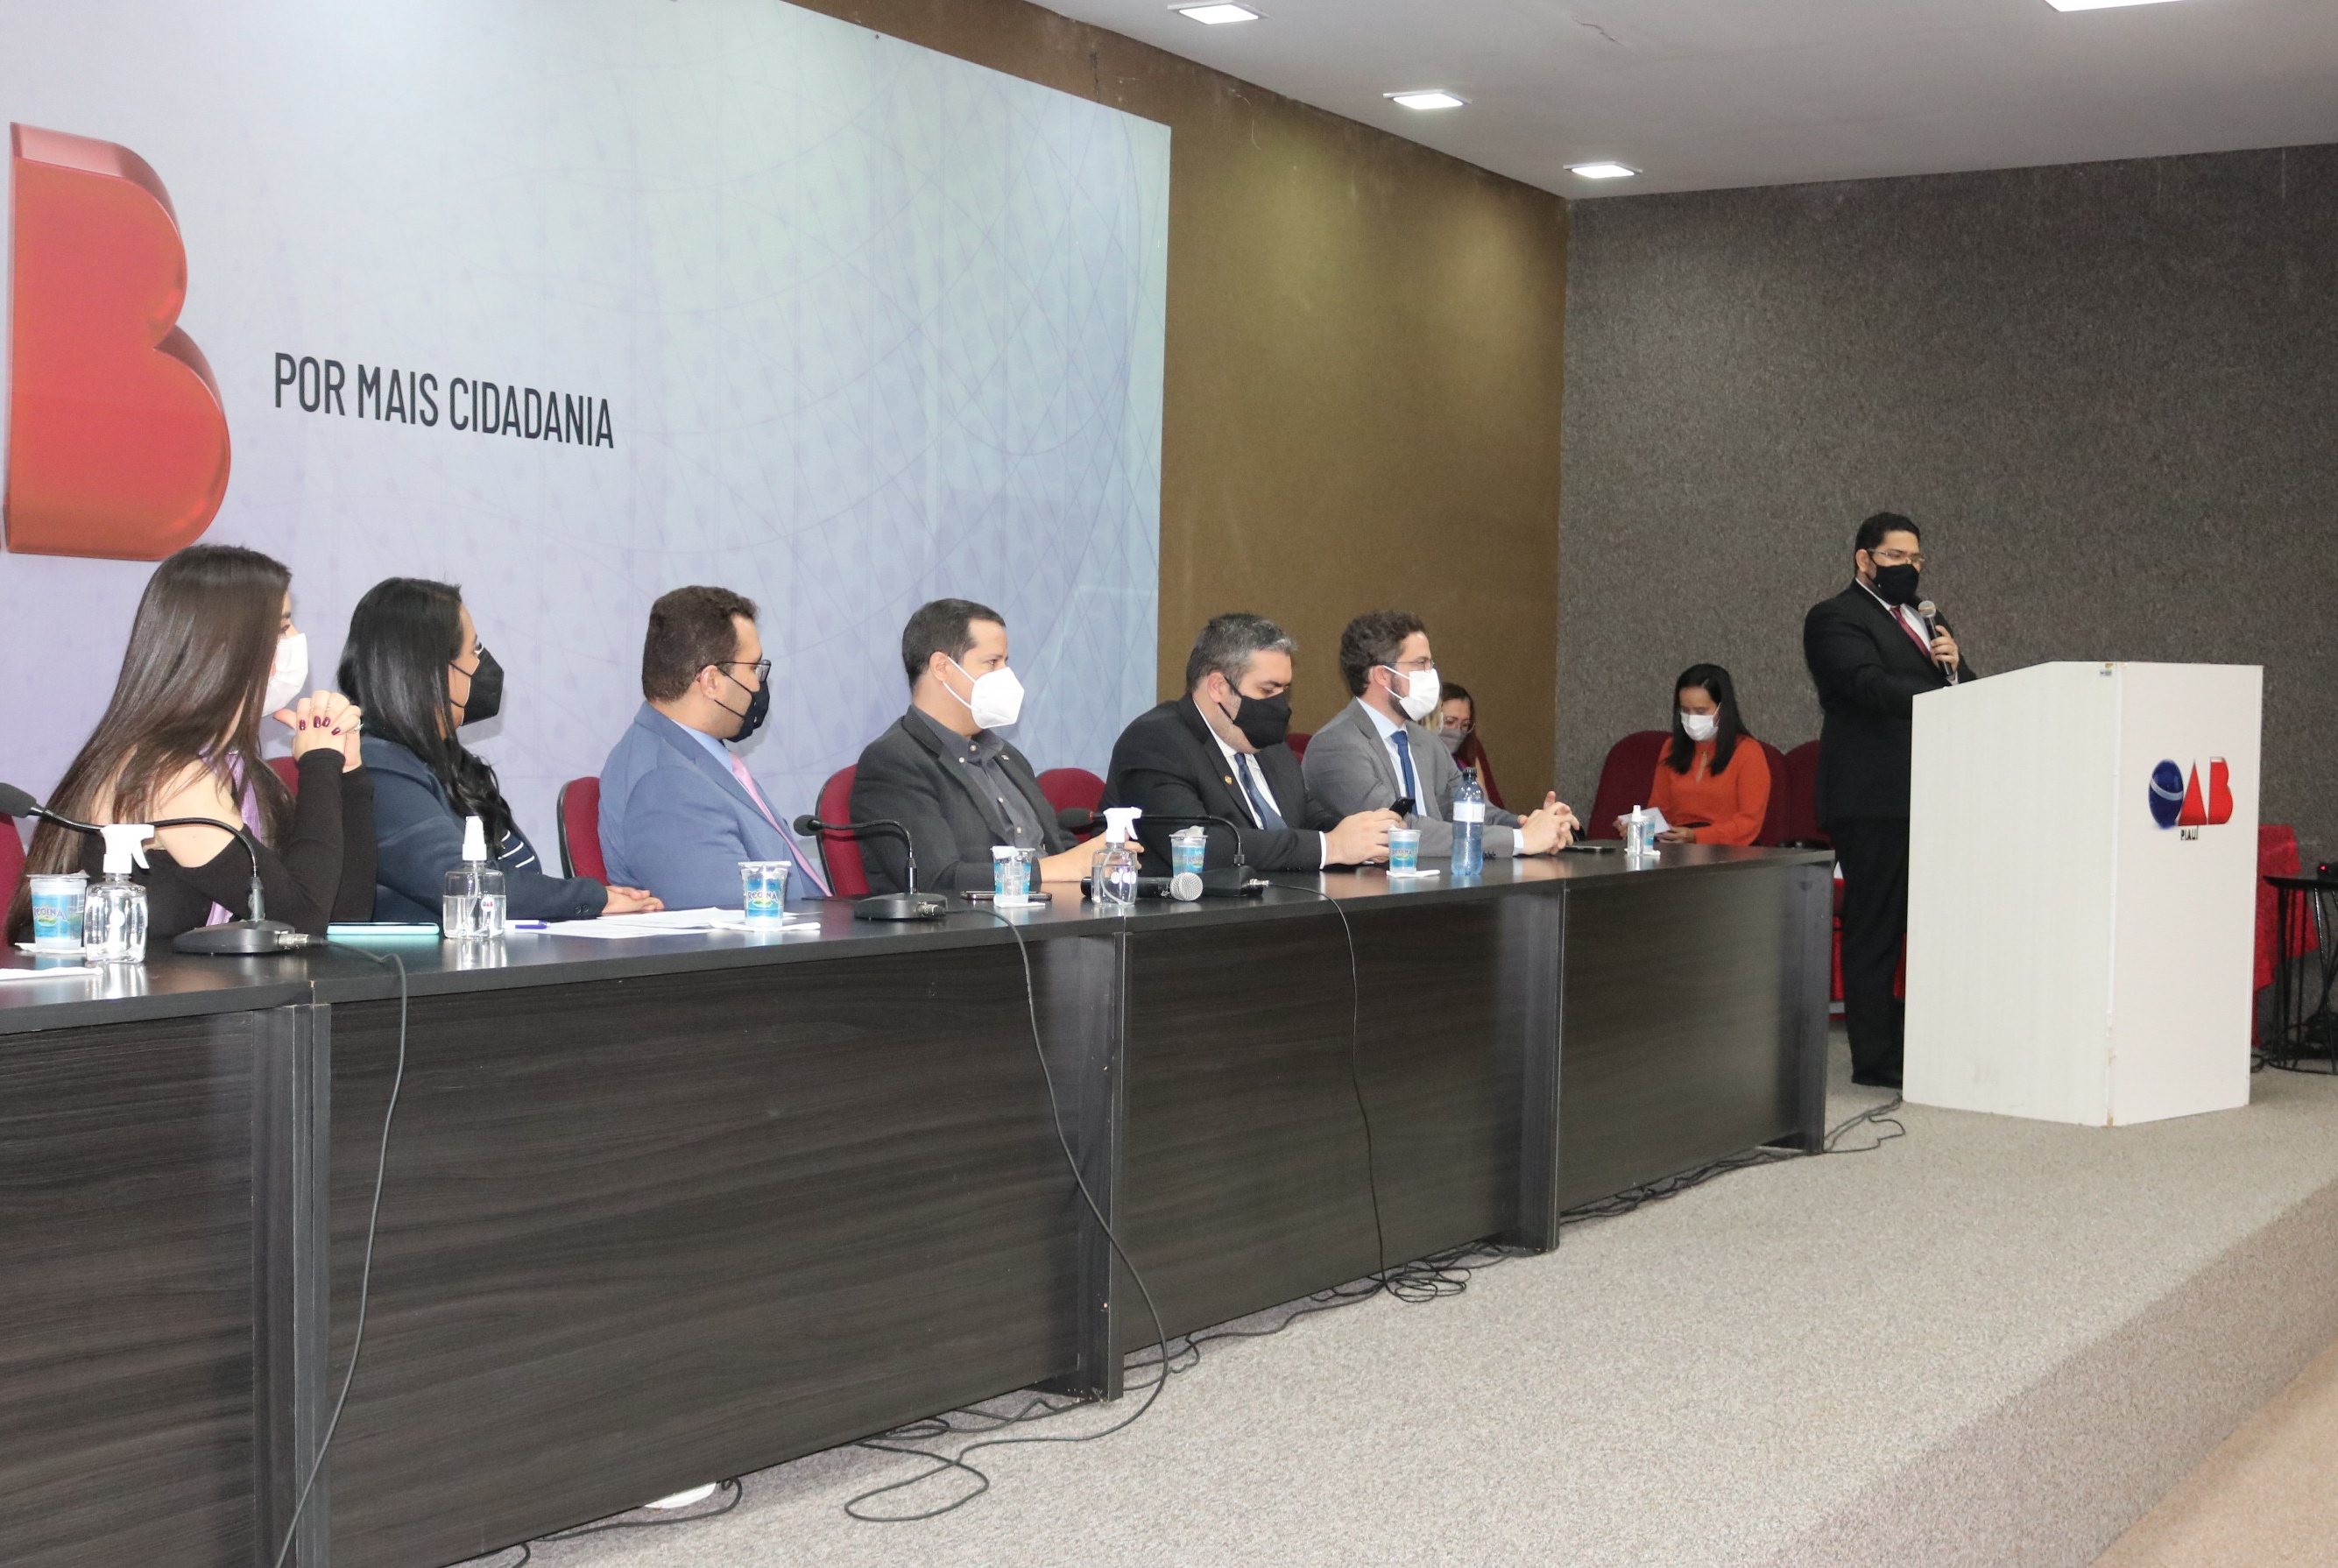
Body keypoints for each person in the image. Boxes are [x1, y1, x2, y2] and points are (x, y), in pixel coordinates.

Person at [4, 544, 375, 943]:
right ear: (227, 648)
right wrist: (318, 763)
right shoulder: (167, 776)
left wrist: (348, 772)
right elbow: (300, 921)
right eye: (282, 629)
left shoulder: (240, 767)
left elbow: (343, 918)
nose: (296, 641)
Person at [339, 578, 661, 922]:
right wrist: (593, 898)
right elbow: (464, 884)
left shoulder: (450, 764)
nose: (483, 663)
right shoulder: (378, 770)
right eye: (474, 650)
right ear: (435, 671)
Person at [1803, 512, 1972, 1088]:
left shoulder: (1928, 618)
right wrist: (1940, 689)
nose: (1909, 567)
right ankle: (1875, 1059)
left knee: (1929, 926)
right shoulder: (1835, 617)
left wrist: (1956, 672)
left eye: (1916, 558)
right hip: (1871, 796)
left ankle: (1922, 1042)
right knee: (1874, 927)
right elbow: (1866, 686)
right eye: (1896, 557)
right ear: (1864, 559)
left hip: (1931, 795)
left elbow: (1966, 691)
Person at [1104, 612, 1396, 873]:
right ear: (1218, 687)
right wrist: (1330, 847)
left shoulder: (1270, 745)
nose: (1280, 706)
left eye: (1284, 690)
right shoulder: (1157, 741)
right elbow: (1198, 845)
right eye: (1267, 690)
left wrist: (1367, 840)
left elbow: (1309, 818)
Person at [598, 586, 830, 908]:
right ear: (711, 682)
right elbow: (734, 917)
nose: (757, 684)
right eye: (753, 668)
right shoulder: (667, 784)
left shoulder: (691, 756)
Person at [851, 598, 1091, 893]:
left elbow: (1060, 849)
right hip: (977, 921)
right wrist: (1057, 869)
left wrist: (1100, 861)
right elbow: (936, 880)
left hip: (1057, 913)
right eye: (993, 662)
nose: (1006, 675)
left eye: (1006, 662)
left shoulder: (1007, 756)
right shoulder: (893, 761)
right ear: (942, 667)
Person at [1303, 611, 1576, 859]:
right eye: (1420, 664)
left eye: (1430, 663)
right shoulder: (1336, 746)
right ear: (1383, 676)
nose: (1431, 674)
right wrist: (1521, 840)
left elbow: (1472, 811)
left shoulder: (1427, 742)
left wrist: (1533, 825)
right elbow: (1398, 831)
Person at [1615, 664, 1771, 846]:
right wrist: (1639, 825)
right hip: (1677, 849)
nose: (1691, 718)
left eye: (1700, 711)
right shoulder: (1671, 747)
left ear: (1722, 709)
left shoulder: (1748, 752)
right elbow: (1660, 809)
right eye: (1685, 710)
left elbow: (1749, 824)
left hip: (1729, 852)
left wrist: (1697, 836)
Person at [1433, 682, 1506, 810]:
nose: (1457, 731)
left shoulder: (1467, 756)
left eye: (1465, 724)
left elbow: (1483, 806)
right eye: (1449, 722)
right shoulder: (1418, 755)